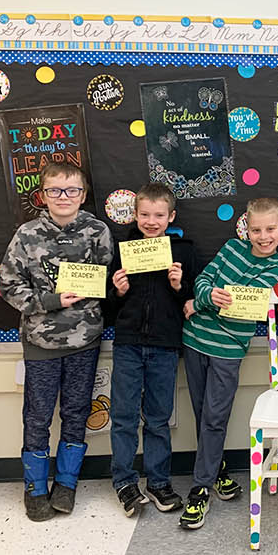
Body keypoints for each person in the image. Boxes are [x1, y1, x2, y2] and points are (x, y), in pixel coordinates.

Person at [0, 162, 111, 521]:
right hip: (40, 342)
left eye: (72, 190)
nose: (64, 197)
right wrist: (49, 302)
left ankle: (67, 482)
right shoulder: (27, 235)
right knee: (38, 415)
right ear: (42, 195)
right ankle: (35, 487)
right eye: (55, 191)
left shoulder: (97, 231)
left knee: (77, 413)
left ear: (84, 194)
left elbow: (106, 279)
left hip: (85, 341)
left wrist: (112, 286)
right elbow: (8, 283)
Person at [178, 198, 278, 530]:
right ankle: (217, 468)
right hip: (194, 339)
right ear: (246, 229)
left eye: (270, 229)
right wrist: (205, 297)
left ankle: (200, 489)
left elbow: (242, 302)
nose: (263, 236)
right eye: (256, 229)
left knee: (215, 416)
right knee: (201, 412)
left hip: (228, 348)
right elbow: (203, 280)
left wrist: (200, 303)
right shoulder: (230, 248)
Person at [101, 183, 198, 517]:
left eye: (159, 215)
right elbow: (109, 304)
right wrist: (117, 290)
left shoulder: (183, 251)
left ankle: (159, 482)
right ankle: (125, 482)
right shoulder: (123, 248)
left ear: (171, 216)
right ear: (135, 215)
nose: (152, 221)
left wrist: (178, 286)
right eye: (145, 214)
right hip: (128, 343)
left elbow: (189, 300)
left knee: (158, 419)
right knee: (124, 417)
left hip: (165, 346)